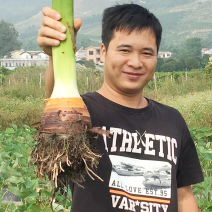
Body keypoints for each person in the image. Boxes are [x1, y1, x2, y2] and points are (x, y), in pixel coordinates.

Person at [37, 4, 204, 212]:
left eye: (146, 53)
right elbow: (57, 106)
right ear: (104, 52)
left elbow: (184, 196)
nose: (135, 62)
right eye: (125, 50)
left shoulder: (173, 120)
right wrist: (56, 54)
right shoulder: (83, 111)